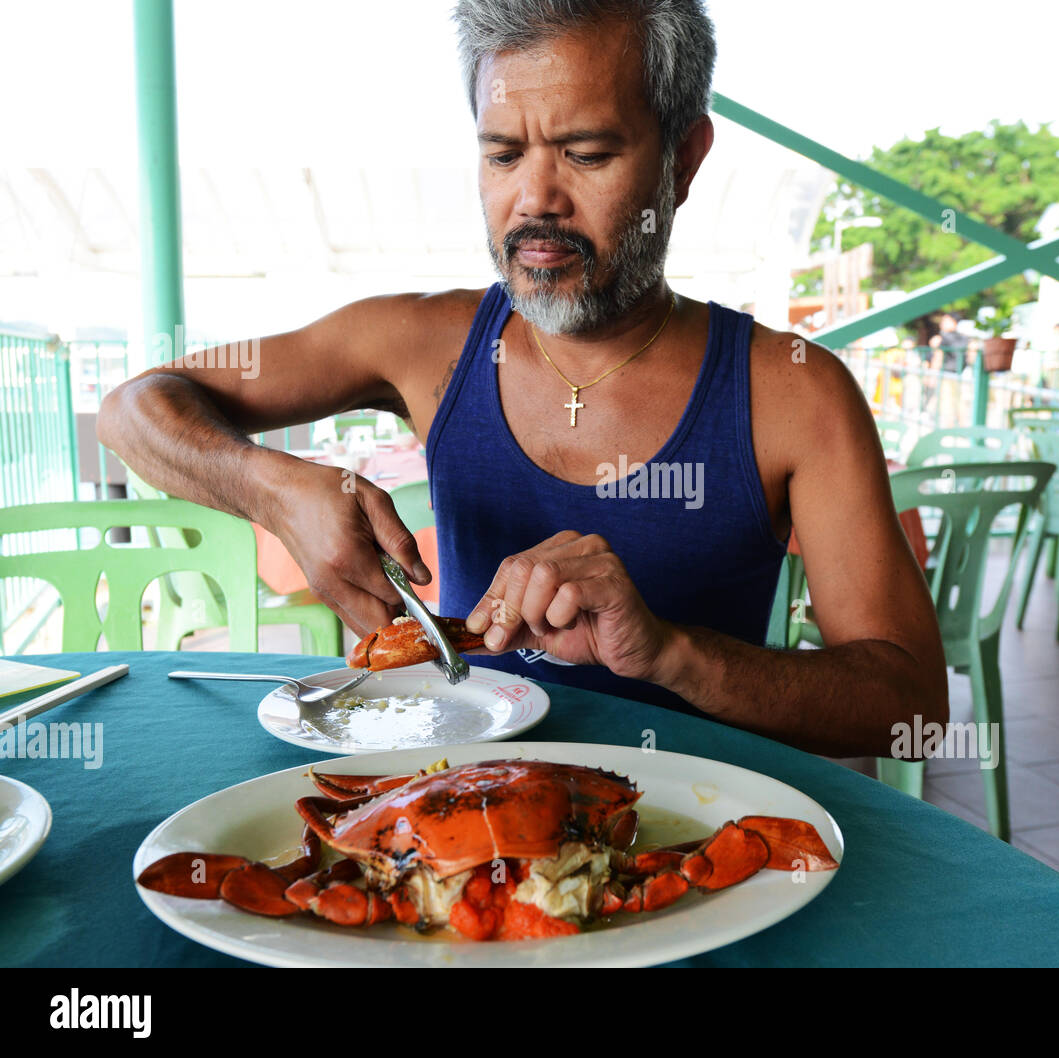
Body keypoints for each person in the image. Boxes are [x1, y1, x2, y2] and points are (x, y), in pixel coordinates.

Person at [98, 0, 947, 758]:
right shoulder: (423, 340)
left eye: (585, 153)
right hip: (465, 831)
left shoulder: (794, 392)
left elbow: (909, 705)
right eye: (503, 153)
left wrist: (668, 651)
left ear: (683, 161)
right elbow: (136, 407)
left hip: (697, 857)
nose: (536, 199)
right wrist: (274, 491)